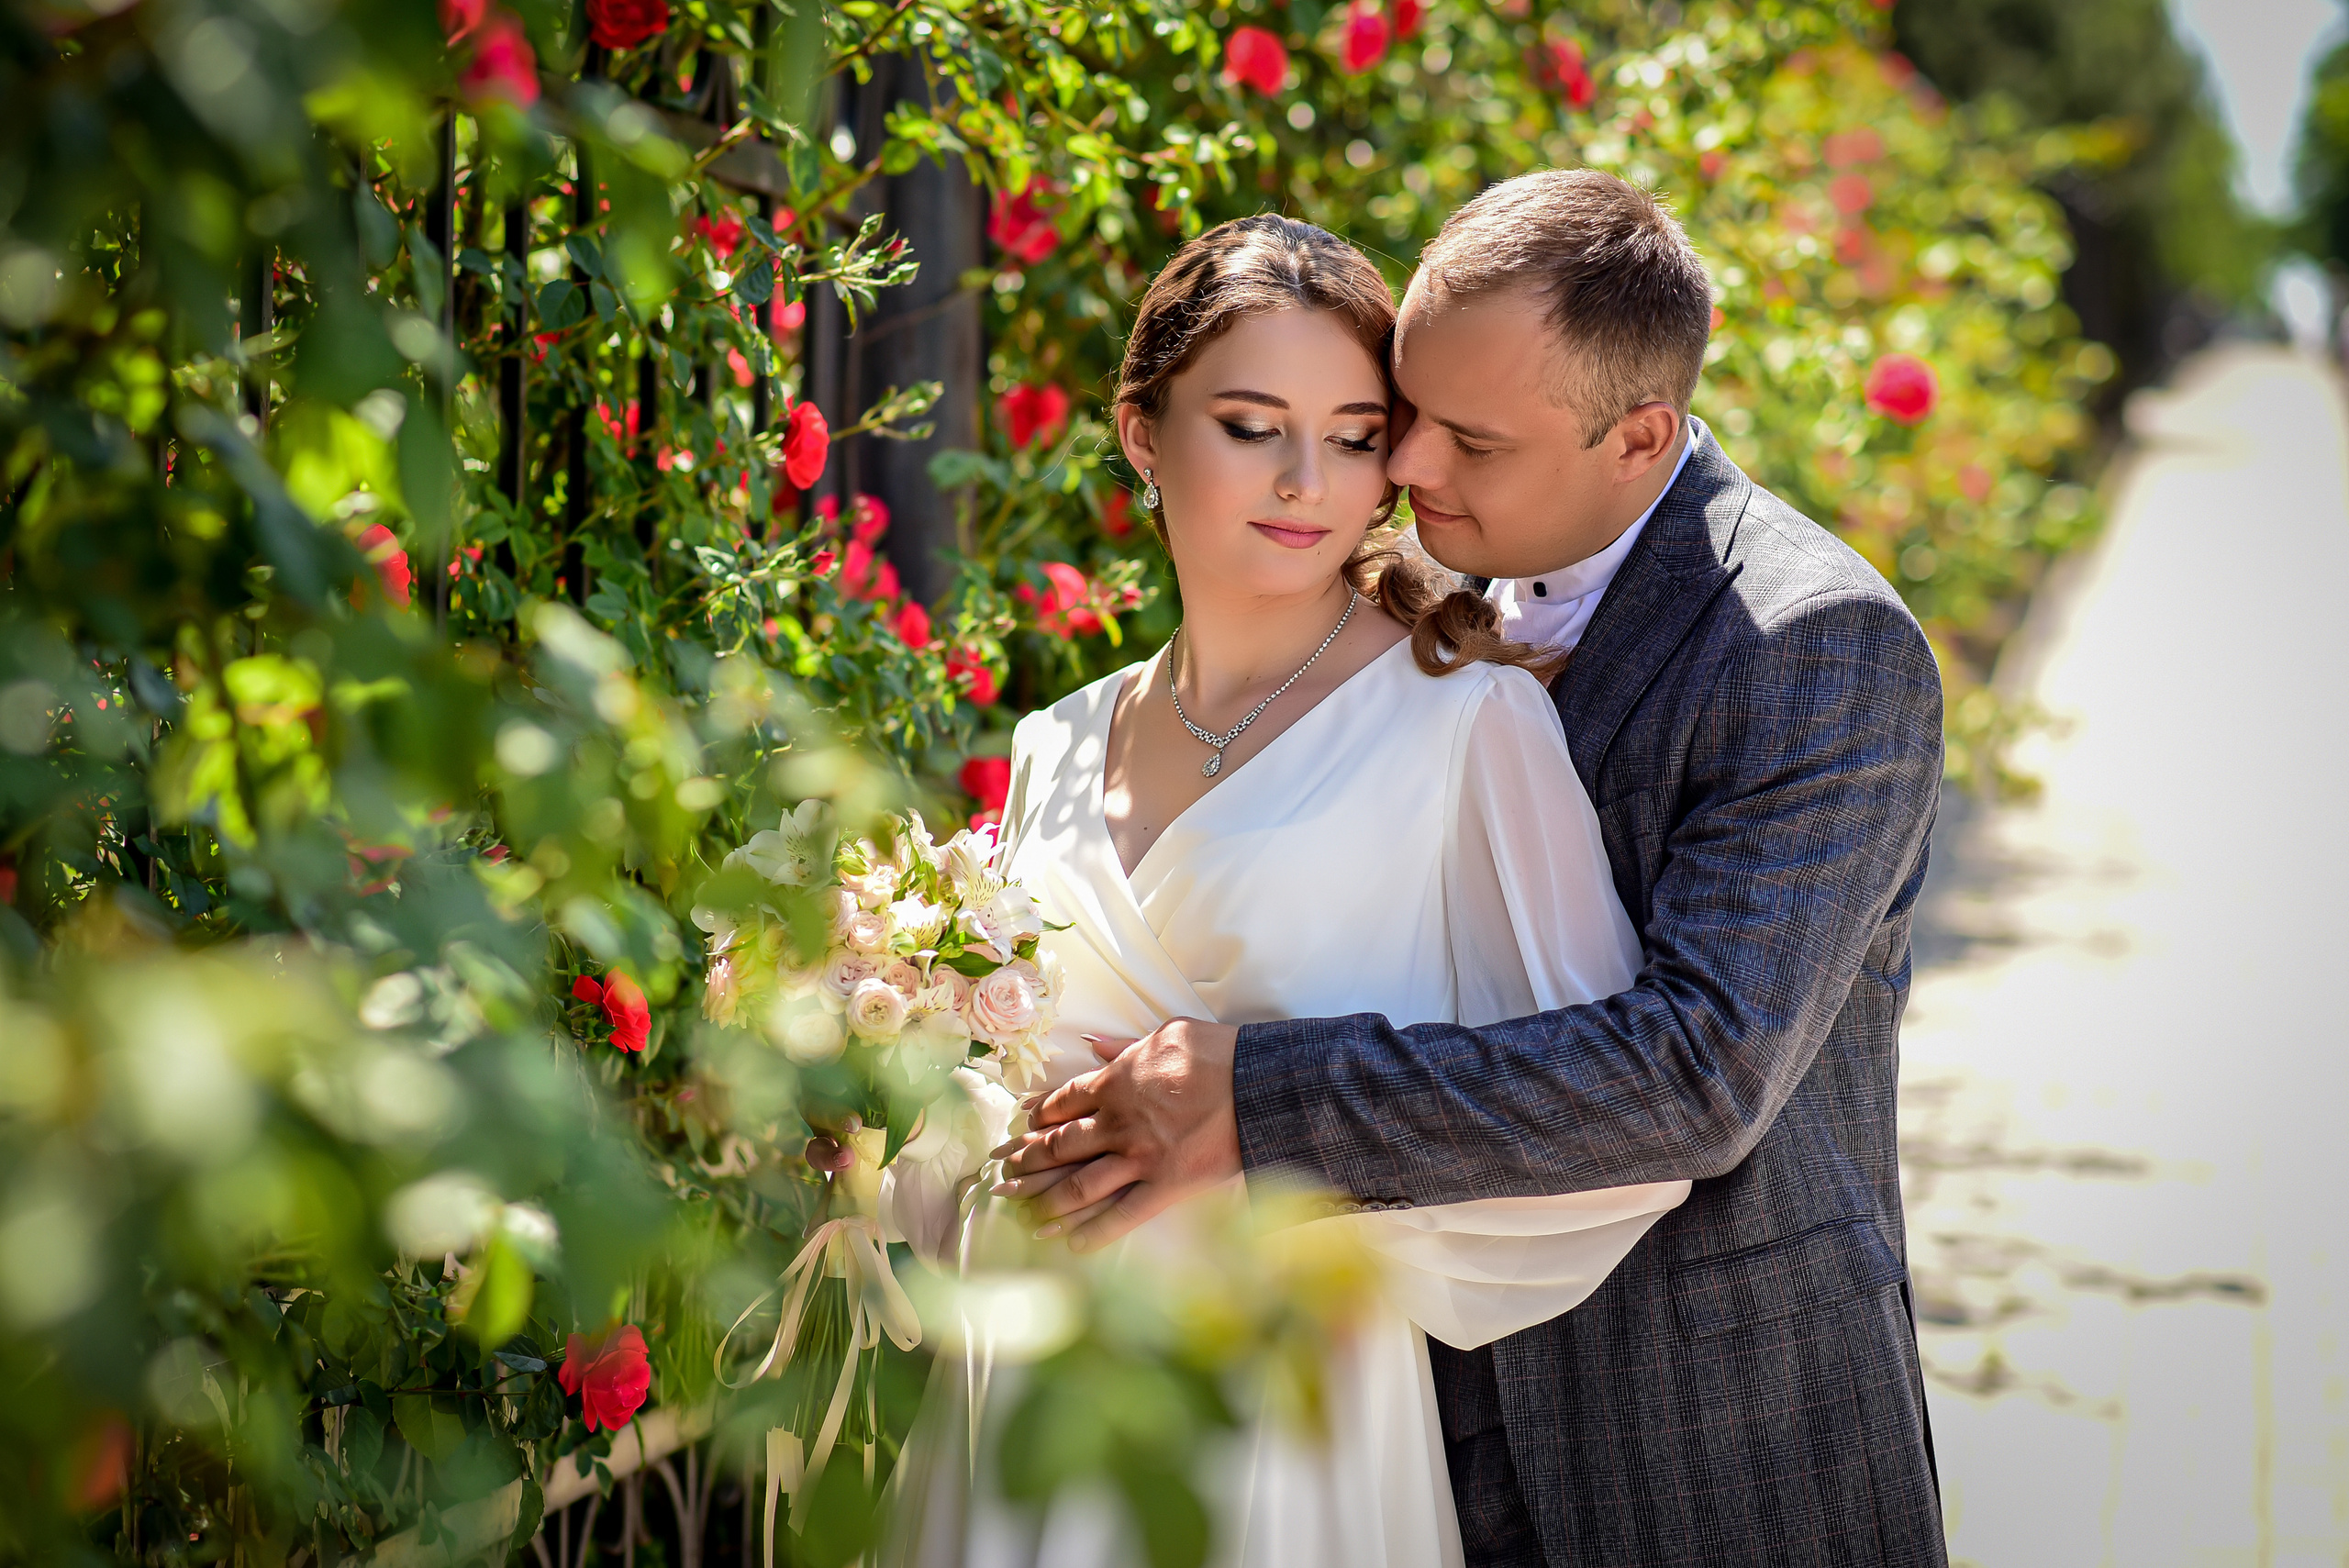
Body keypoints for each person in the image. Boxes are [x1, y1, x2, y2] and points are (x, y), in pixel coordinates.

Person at [998, 170, 1951, 1567]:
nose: (1409, 471)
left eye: (1470, 441)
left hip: (1700, 1443)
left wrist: (1251, 1099)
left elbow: (1699, 1069)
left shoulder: (1813, 646)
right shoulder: (1437, 604)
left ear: (1640, 438)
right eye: (1410, 414)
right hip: (1389, 1437)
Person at [884, 213, 1690, 1566]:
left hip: (1280, 1406)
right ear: (1144, 430)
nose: (1309, 477)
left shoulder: (1464, 726)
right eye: (1253, 424)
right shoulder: (1054, 745)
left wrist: (1287, 1165)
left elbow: (1605, 1132)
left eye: (1357, 433)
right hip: (1021, 1377)